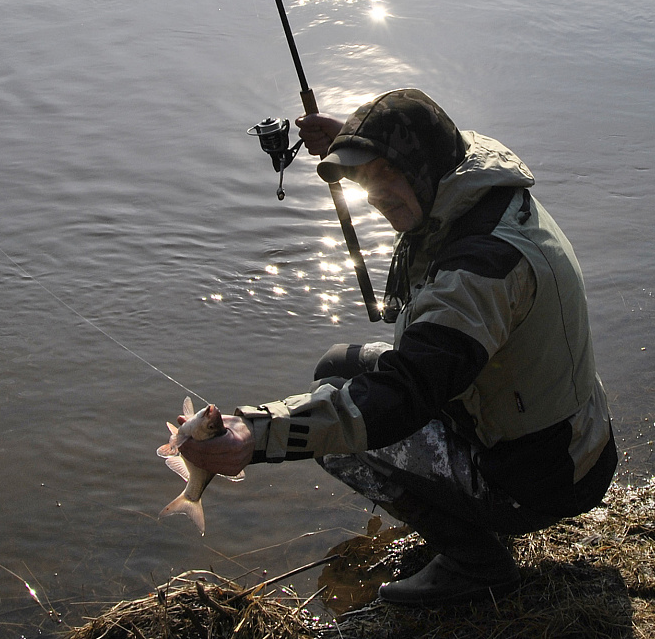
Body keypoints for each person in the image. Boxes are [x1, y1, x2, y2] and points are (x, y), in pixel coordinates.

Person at [180, 89, 615, 606]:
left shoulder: (481, 271)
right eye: (370, 180)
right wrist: (355, 143)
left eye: (388, 179)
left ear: (422, 168)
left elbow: (403, 397)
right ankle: (463, 514)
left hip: (545, 476)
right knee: (336, 368)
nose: (376, 198)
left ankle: (478, 562)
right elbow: (418, 149)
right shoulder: (474, 179)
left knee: (340, 432)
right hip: (563, 433)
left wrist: (257, 435)